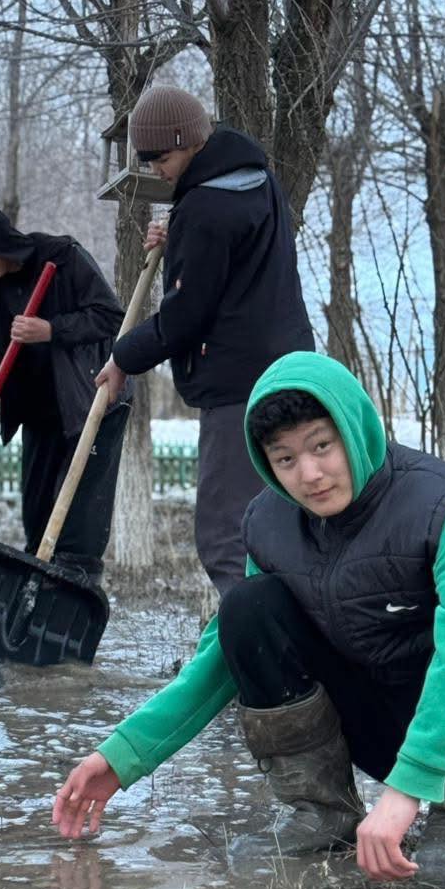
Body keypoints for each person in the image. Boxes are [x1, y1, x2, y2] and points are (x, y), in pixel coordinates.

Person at [53, 352, 445, 884]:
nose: (309, 474)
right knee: (248, 608)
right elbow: (219, 660)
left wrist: (405, 791)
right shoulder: (270, 522)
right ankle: (322, 811)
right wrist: (123, 756)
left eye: (321, 446)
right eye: (284, 459)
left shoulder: (441, 505)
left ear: (351, 428)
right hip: (386, 706)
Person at [96, 85, 314, 595]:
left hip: (238, 386)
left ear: (191, 142)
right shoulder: (256, 180)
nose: (155, 170)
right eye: (145, 160)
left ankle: (256, 656)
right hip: (289, 368)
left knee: (224, 533)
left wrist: (122, 357)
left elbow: (185, 319)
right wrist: (180, 245)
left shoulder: (203, 209)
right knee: (281, 518)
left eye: (162, 157)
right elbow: (239, 267)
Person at [0, 198, 131, 580]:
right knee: (38, 523)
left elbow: (110, 316)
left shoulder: (62, 257)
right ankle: (36, 607)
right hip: (38, 413)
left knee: (79, 530)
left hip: (90, 406)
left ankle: (75, 603)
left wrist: (51, 330)